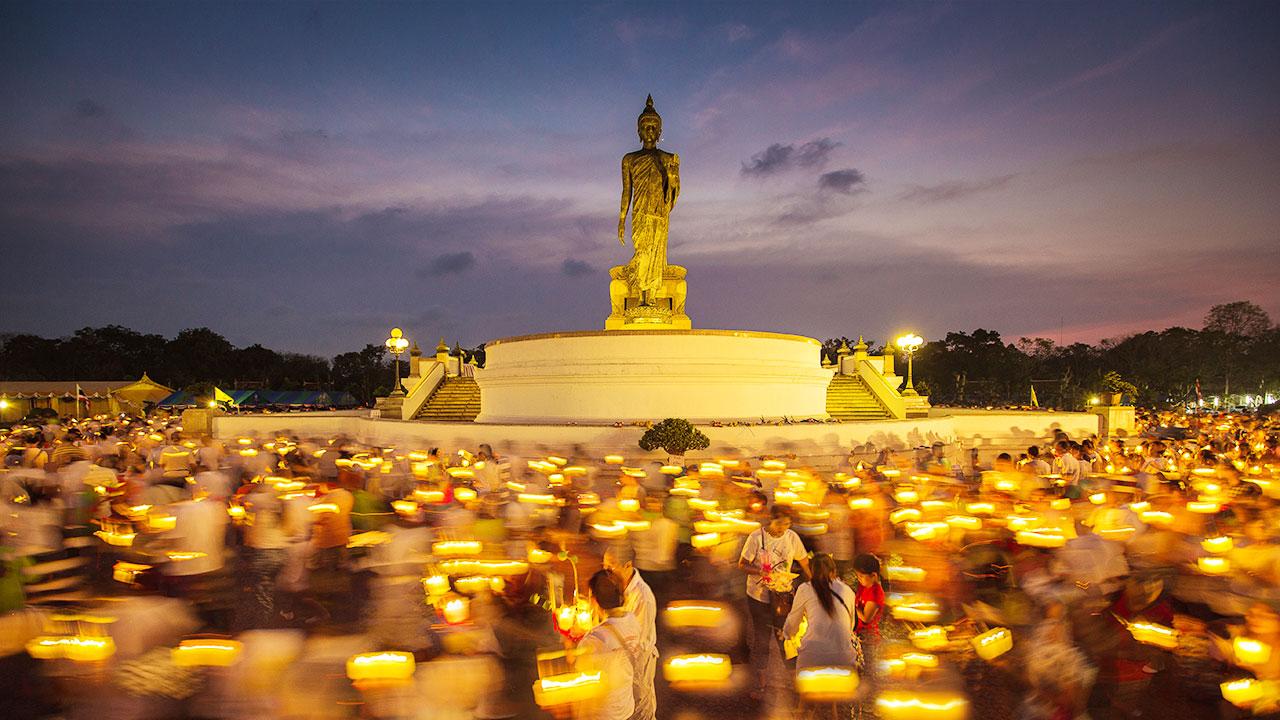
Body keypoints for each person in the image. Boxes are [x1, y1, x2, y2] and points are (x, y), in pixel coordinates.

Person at [738, 504, 811, 698]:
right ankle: (761, 685)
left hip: (783, 597)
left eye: (787, 524)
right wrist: (759, 571)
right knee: (761, 639)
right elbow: (742, 564)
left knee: (785, 638)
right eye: (779, 524)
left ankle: (795, 683)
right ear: (770, 520)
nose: (782, 528)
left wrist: (815, 585)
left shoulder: (792, 538)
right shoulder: (756, 537)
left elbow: (804, 562)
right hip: (758, 596)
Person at [575, 569, 642, 720]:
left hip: (601, 714)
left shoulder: (593, 639)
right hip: (625, 708)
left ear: (593, 600)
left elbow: (582, 687)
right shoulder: (633, 621)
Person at [603, 547, 658, 720]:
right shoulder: (618, 587)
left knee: (641, 708)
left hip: (638, 661)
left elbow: (636, 640)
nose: (607, 573)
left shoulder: (643, 596)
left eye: (611, 567)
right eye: (604, 567)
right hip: (621, 660)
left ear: (628, 565)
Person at [783, 553, 858, 668]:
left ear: (811, 572)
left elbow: (793, 623)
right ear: (834, 571)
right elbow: (850, 626)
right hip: (844, 659)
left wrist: (787, 635)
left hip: (812, 658)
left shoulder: (804, 589)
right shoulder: (848, 591)